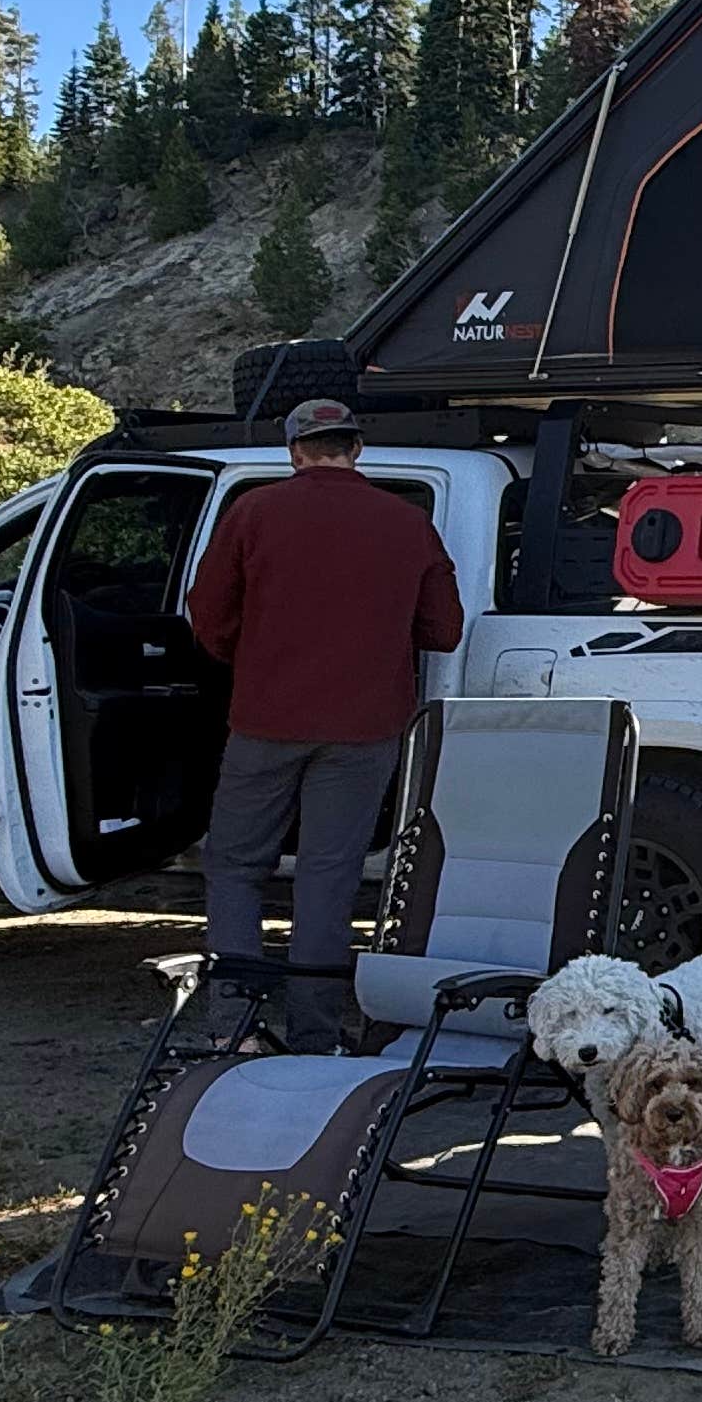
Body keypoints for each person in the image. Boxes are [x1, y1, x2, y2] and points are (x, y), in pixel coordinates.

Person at [184, 397, 463, 1051]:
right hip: (366, 731)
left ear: (294, 452)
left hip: (265, 720)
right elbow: (444, 631)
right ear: (356, 449)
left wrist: (255, 659)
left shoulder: (253, 512)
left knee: (234, 864)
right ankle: (315, 1032)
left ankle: (236, 1026)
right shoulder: (406, 522)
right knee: (329, 875)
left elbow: (208, 617)